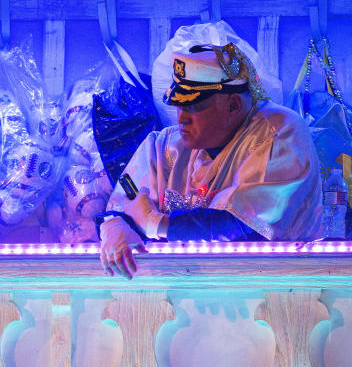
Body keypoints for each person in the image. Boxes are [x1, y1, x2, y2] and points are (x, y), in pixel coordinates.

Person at [97, 43, 322, 279]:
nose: (181, 118)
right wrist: (114, 225)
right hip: (187, 294)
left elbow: (240, 227)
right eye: (178, 105)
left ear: (233, 105)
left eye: (193, 106)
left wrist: (154, 223)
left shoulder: (277, 132)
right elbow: (128, 198)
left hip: (274, 293)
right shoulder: (165, 144)